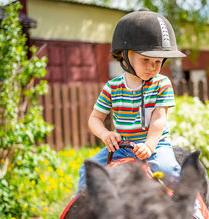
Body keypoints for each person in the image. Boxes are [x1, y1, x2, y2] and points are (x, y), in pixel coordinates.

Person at [76, 8, 186, 193]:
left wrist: (149, 146)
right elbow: (94, 119)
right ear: (125, 56)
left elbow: (159, 119)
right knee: (87, 171)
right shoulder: (112, 87)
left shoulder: (162, 84)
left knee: (169, 170)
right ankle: (80, 211)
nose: (152, 67)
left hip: (155, 146)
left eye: (158, 62)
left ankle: (191, 207)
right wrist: (105, 134)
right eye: (146, 60)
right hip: (122, 147)